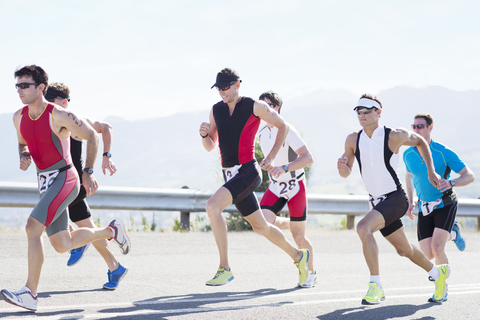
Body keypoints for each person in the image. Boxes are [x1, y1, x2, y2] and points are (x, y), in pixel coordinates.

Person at [0, 65, 130, 312]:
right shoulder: (18, 116)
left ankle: (30, 293)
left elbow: (93, 134)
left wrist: (88, 172)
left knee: (32, 227)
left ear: (41, 88)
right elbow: (22, 143)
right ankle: (110, 231)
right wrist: (24, 155)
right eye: (17, 85)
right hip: (44, 181)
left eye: (25, 85)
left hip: (65, 178)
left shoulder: (58, 115)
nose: (19, 90)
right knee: (62, 243)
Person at [199, 68, 309, 287]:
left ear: (237, 84)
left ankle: (224, 268)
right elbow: (210, 145)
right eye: (218, 89)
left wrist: (271, 156)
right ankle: (299, 257)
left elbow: (283, 125)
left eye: (225, 88)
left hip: (248, 172)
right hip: (229, 175)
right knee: (261, 227)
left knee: (212, 206)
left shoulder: (254, 106)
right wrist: (203, 135)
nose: (222, 92)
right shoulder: (216, 110)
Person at [337, 94, 449, 305]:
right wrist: (343, 167)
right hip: (377, 203)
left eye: (367, 111)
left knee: (363, 228)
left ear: (378, 112)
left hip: (395, 199)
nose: (361, 115)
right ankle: (437, 273)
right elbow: (346, 173)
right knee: (404, 249)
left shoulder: (394, 135)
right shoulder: (353, 139)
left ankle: (375, 286)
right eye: (358, 111)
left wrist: (431, 172)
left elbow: (422, 141)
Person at [45, 83, 127, 290]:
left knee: (47, 215)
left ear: (63, 102)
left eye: (50, 98)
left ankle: (83, 240)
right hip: (61, 183)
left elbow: (105, 128)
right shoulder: (50, 121)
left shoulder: (72, 121)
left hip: (73, 184)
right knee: (89, 229)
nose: (45, 103)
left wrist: (104, 159)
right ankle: (114, 266)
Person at [404, 112, 475, 300]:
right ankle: (454, 232)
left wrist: (451, 182)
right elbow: (409, 176)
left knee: (437, 248)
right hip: (424, 206)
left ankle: (441, 290)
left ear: (430, 128)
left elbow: (469, 175)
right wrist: (410, 202)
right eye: (413, 127)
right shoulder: (408, 153)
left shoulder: (443, 152)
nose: (416, 130)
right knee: (427, 253)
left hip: (445, 202)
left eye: (420, 126)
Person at [257, 91, 317, 288]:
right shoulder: (261, 133)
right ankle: (293, 223)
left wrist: (284, 168)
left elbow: (308, 158)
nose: (264, 109)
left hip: (295, 186)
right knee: (262, 222)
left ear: (276, 108)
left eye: (268, 106)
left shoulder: (288, 129)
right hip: (275, 186)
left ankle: (311, 272)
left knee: (298, 236)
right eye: (261, 105)